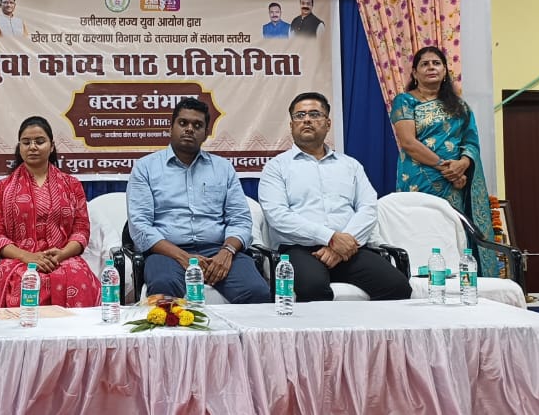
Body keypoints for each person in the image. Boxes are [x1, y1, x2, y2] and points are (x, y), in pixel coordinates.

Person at [259, 92, 412, 301]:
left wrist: (343, 244)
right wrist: (330, 238)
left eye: (314, 114)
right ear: (291, 125)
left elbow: (368, 208)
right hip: (299, 249)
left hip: (349, 248)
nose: (306, 120)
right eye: (300, 115)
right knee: (313, 290)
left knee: (398, 287)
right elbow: (277, 216)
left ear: (328, 123)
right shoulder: (276, 167)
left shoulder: (350, 165)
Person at [127, 98, 270, 304]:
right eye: (183, 123)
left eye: (197, 125)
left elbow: (240, 219)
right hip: (168, 252)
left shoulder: (223, 168)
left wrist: (227, 252)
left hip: (217, 250)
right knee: (164, 287)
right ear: (171, 128)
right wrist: (182, 257)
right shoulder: (145, 168)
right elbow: (140, 226)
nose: (189, 129)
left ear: (206, 133)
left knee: (257, 291)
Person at [390, 46, 496, 275]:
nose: (431, 67)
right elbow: (408, 142)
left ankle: (458, 279)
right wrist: (444, 167)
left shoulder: (459, 106)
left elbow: (471, 141)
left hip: (454, 184)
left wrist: (463, 164)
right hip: (419, 179)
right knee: (420, 230)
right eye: (425, 64)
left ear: (445, 71)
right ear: (415, 73)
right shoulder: (405, 101)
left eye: (436, 63)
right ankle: (420, 280)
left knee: (452, 231)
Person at [0, 116, 99, 308]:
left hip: (62, 259)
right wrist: (28, 257)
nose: (32, 147)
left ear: (51, 146)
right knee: (19, 283)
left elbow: (81, 230)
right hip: (18, 260)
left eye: (39, 141)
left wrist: (61, 254)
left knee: (78, 278)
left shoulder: (72, 185)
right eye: (26, 142)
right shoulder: (3, 188)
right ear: (19, 147)